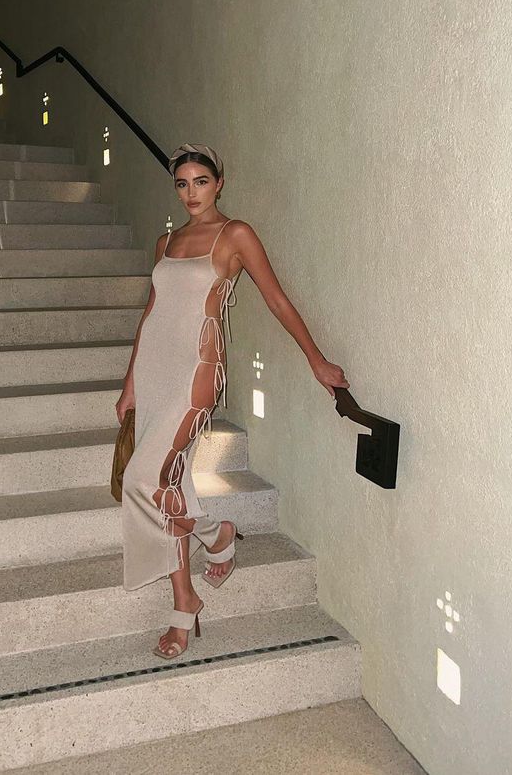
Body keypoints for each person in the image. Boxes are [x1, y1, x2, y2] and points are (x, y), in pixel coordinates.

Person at [115, 143, 349, 659]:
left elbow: (276, 298)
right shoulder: (166, 241)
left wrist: (316, 360)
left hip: (196, 372)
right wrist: (131, 382)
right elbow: (151, 312)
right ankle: (185, 601)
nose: (191, 193)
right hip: (154, 372)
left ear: (219, 183)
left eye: (201, 181)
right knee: (169, 483)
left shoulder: (235, 234)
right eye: (182, 184)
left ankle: (215, 535)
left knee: (142, 481)